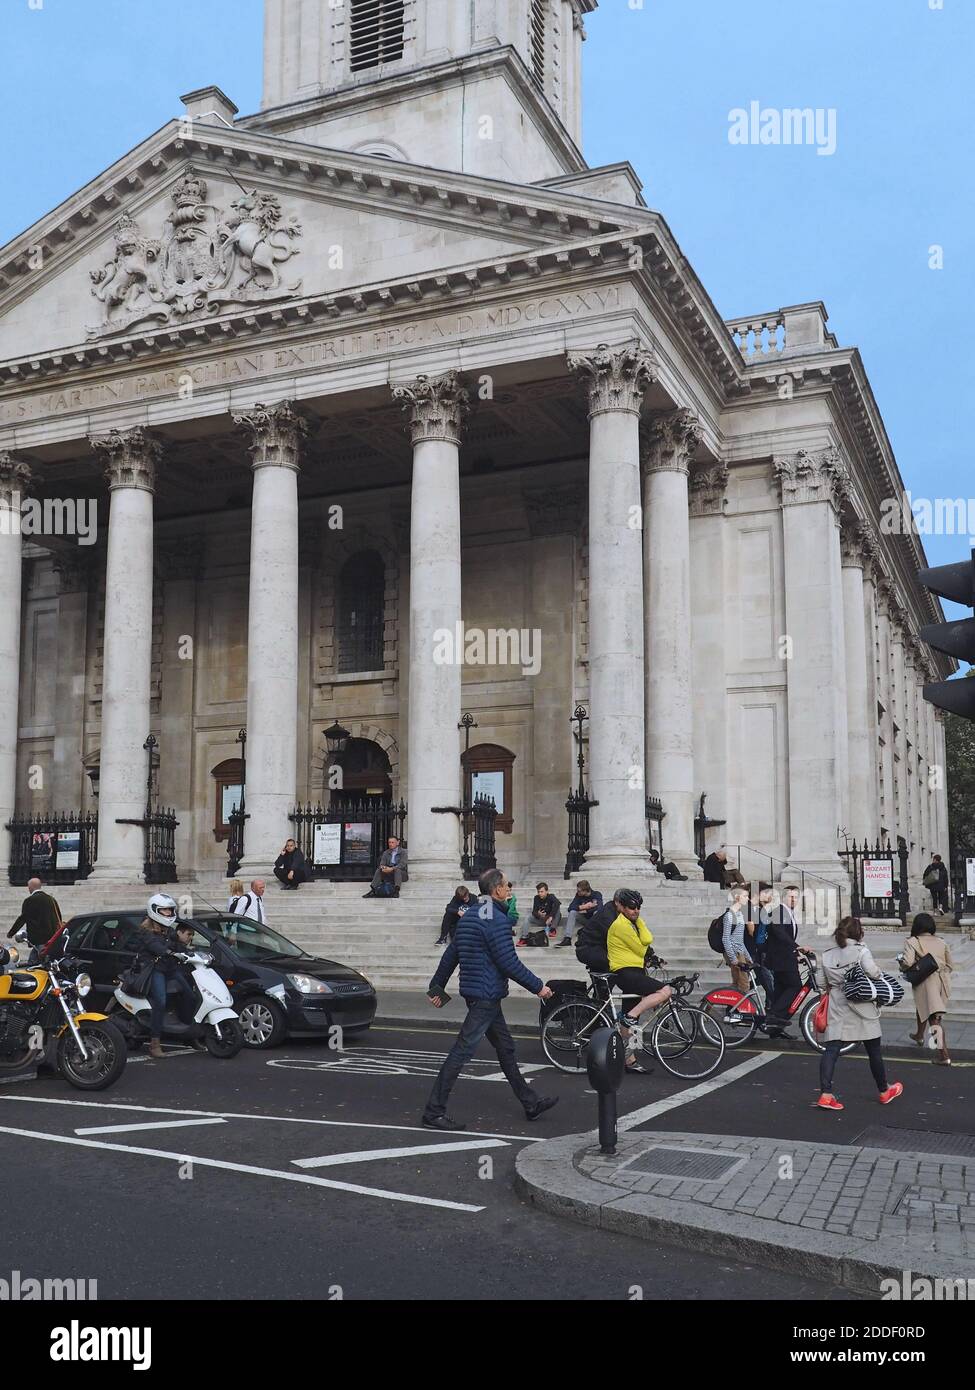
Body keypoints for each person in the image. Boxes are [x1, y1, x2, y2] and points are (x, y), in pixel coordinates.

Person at [422, 867, 558, 1130]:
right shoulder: (495, 919)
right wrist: (538, 987)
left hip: (483, 996)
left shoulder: (471, 915)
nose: (509, 890)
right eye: (507, 886)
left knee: (506, 1048)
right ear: (496, 890)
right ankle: (433, 1112)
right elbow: (508, 962)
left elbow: (451, 954)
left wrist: (436, 988)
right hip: (485, 997)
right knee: (461, 1052)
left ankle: (530, 1103)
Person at [816, 916, 903, 1111]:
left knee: (831, 1049)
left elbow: (822, 984)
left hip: (838, 1003)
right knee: (873, 1050)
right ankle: (883, 1090)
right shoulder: (861, 951)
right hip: (861, 1003)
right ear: (858, 933)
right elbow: (873, 972)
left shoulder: (828, 954)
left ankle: (826, 1094)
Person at [607, 889, 673, 1074]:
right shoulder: (621, 925)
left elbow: (645, 940)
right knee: (665, 991)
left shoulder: (632, 922)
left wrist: (639, 921)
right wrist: (640, 925)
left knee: (630, 1027)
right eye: (631, 907)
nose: (636, 910)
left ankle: (629, 1061)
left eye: (638, 907)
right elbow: (642, 947)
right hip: (626, 973)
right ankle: (630, 1016)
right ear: (622, 907)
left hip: (634, 971)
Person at [133, 893, 196, 1059]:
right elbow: (156, 947)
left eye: (170, 910)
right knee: (160, 1001)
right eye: (165, 911)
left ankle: (187, 1034)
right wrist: (169, 951)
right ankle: (155, 1043)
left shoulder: (169, 930)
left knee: (190, 995)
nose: (169, 913)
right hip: (154, 968)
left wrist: (192, 953)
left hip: (169, 967)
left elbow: (177, 945)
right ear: (155, 911)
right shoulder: (145, 931)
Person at [903, 912, 954, 1064]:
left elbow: (907, 962)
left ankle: (944, 1056)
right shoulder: (942, 942)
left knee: (934, 1018)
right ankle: (919, 1035)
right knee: (924, 1007)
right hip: (943, 982)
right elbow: (950, 965)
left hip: (926, 982)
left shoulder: (913, 941)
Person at [764, 885, 803, 1039]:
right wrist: (797, 947)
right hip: (780, 959)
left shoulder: (789, 913)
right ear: (783, 897)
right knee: (795, 986)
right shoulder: (778, 912)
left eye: (796, 897)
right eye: (790, 896)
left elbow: (786, 936)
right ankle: (773, 1015)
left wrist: (795, 951)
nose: (793, 899)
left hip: (786, 957)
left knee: (780, 992)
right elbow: (779, 932)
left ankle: (775, 1029)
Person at [7, 877, 62, 950]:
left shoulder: (29, 900)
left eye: (28, 886)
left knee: (39, 958)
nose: (28, 888)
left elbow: (23, 918)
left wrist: (11, 932)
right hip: (52, 938)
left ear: (31, 887)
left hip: (39, 939)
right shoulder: (51, 899)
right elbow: (59, 916)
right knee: (35, 959)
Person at [745, 883, 776, 1013]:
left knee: (763, 978)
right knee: (767, 978)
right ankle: (773, 1004)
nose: (771, 896)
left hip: (762, 950)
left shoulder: (762, 908)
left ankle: (770, 1006)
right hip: (752, 950)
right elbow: (751, 931)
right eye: (768, 893)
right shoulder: (748, 909)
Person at [721, 886, 753, 994]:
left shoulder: (740, 914)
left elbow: (740, 940)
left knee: (736, 984)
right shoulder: (730, 915)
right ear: (737, 897)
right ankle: (741, 1009)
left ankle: (731, 1007)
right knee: (744, 985)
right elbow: (725, 938)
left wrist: (748, 956)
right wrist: (734, 959)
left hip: (740, 953)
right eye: (745, 896)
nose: (747, 899)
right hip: (735, 954)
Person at [562, 880, 604, 948]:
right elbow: (570, 908)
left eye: (579, 891)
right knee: (572, 912)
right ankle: (567, 938)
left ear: (585, 891)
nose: (577, 892)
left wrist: (587, 911)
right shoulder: (578, 896)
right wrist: (584, 906)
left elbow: (600, 908)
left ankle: (592, 937)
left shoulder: (596, 894)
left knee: (597, 913)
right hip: (584, 919)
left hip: (594, 921)